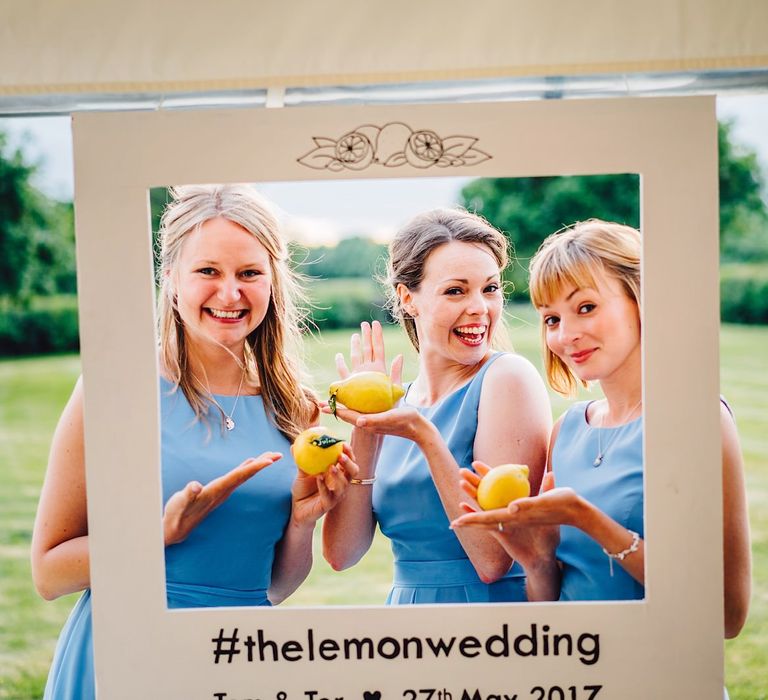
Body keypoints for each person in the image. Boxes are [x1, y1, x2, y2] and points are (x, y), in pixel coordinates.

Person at [31, 184, 357, 699]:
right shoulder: (116, 387)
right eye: (208, 271)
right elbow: (49, 572)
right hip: (127, 657)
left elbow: (271, 588)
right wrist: (155, 535)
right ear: (171, 279)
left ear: (274, 282)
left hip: (239, 661)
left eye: (249, 273)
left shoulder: (296, 407)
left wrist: (301, 520)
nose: (230, 294)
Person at [451, 220, 752, 634]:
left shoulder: (698, 422)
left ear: (642, 298)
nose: (566, 335)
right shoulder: (567, 431)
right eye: (552, 319)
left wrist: (590, 521)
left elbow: (726, 616)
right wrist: (536, 560)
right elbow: (550, 608)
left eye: (586, 307)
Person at [322, 208, 553, 603]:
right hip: (407, 623)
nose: (480, 307)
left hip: (488, 622)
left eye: (491, 288)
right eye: (456, 290)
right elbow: (342, 554)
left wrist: (424, 436)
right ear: (408, 298)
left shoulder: (507, 379)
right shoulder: (403, 405)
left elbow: (492, 560)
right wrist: (367, 427)